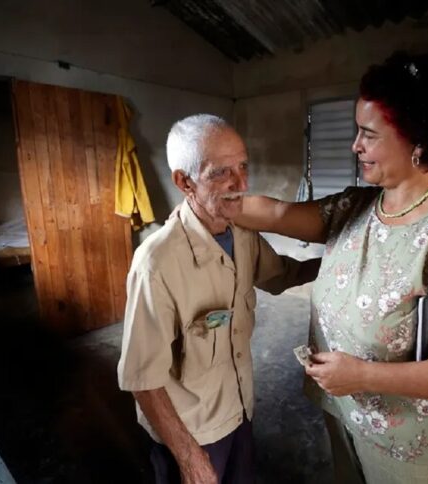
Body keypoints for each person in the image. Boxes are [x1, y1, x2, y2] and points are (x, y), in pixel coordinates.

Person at [236, 52, 428, 484]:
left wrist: (363, 375)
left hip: (408, 444)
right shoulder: (357, 207)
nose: (355, 145)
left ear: (418, 141)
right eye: (357, 131)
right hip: (344, 413)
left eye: (368, 134)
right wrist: (211, 202)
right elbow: (275, 214)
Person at [117, 114, 320, 484]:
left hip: (240, 409)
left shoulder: (240, 232)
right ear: (184, 181)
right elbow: (143, 379)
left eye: (243, 166)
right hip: (193, 432)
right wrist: (190, 458)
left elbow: (281, 275)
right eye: (220, 173)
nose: (241, 184)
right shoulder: (157, 263)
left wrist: (342, 263)